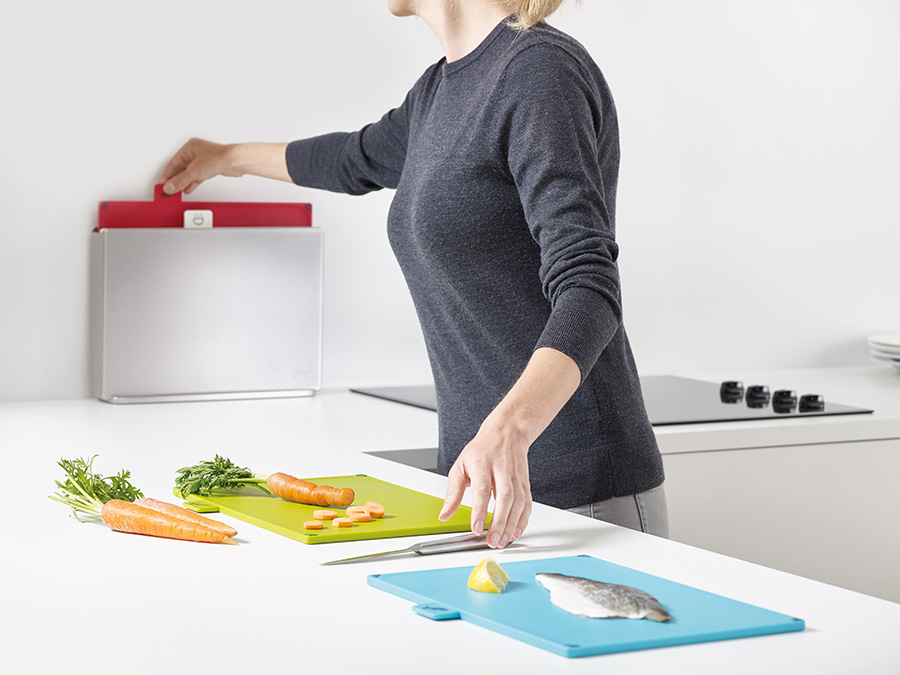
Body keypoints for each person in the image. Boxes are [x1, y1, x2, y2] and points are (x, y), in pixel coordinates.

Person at [160, 0, 667, 549]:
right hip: (481, 488)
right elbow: (353, 159)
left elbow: (589, 287)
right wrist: (225, 157)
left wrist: (509, 429)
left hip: (580, 493)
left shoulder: (540, 72)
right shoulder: (437, 92)